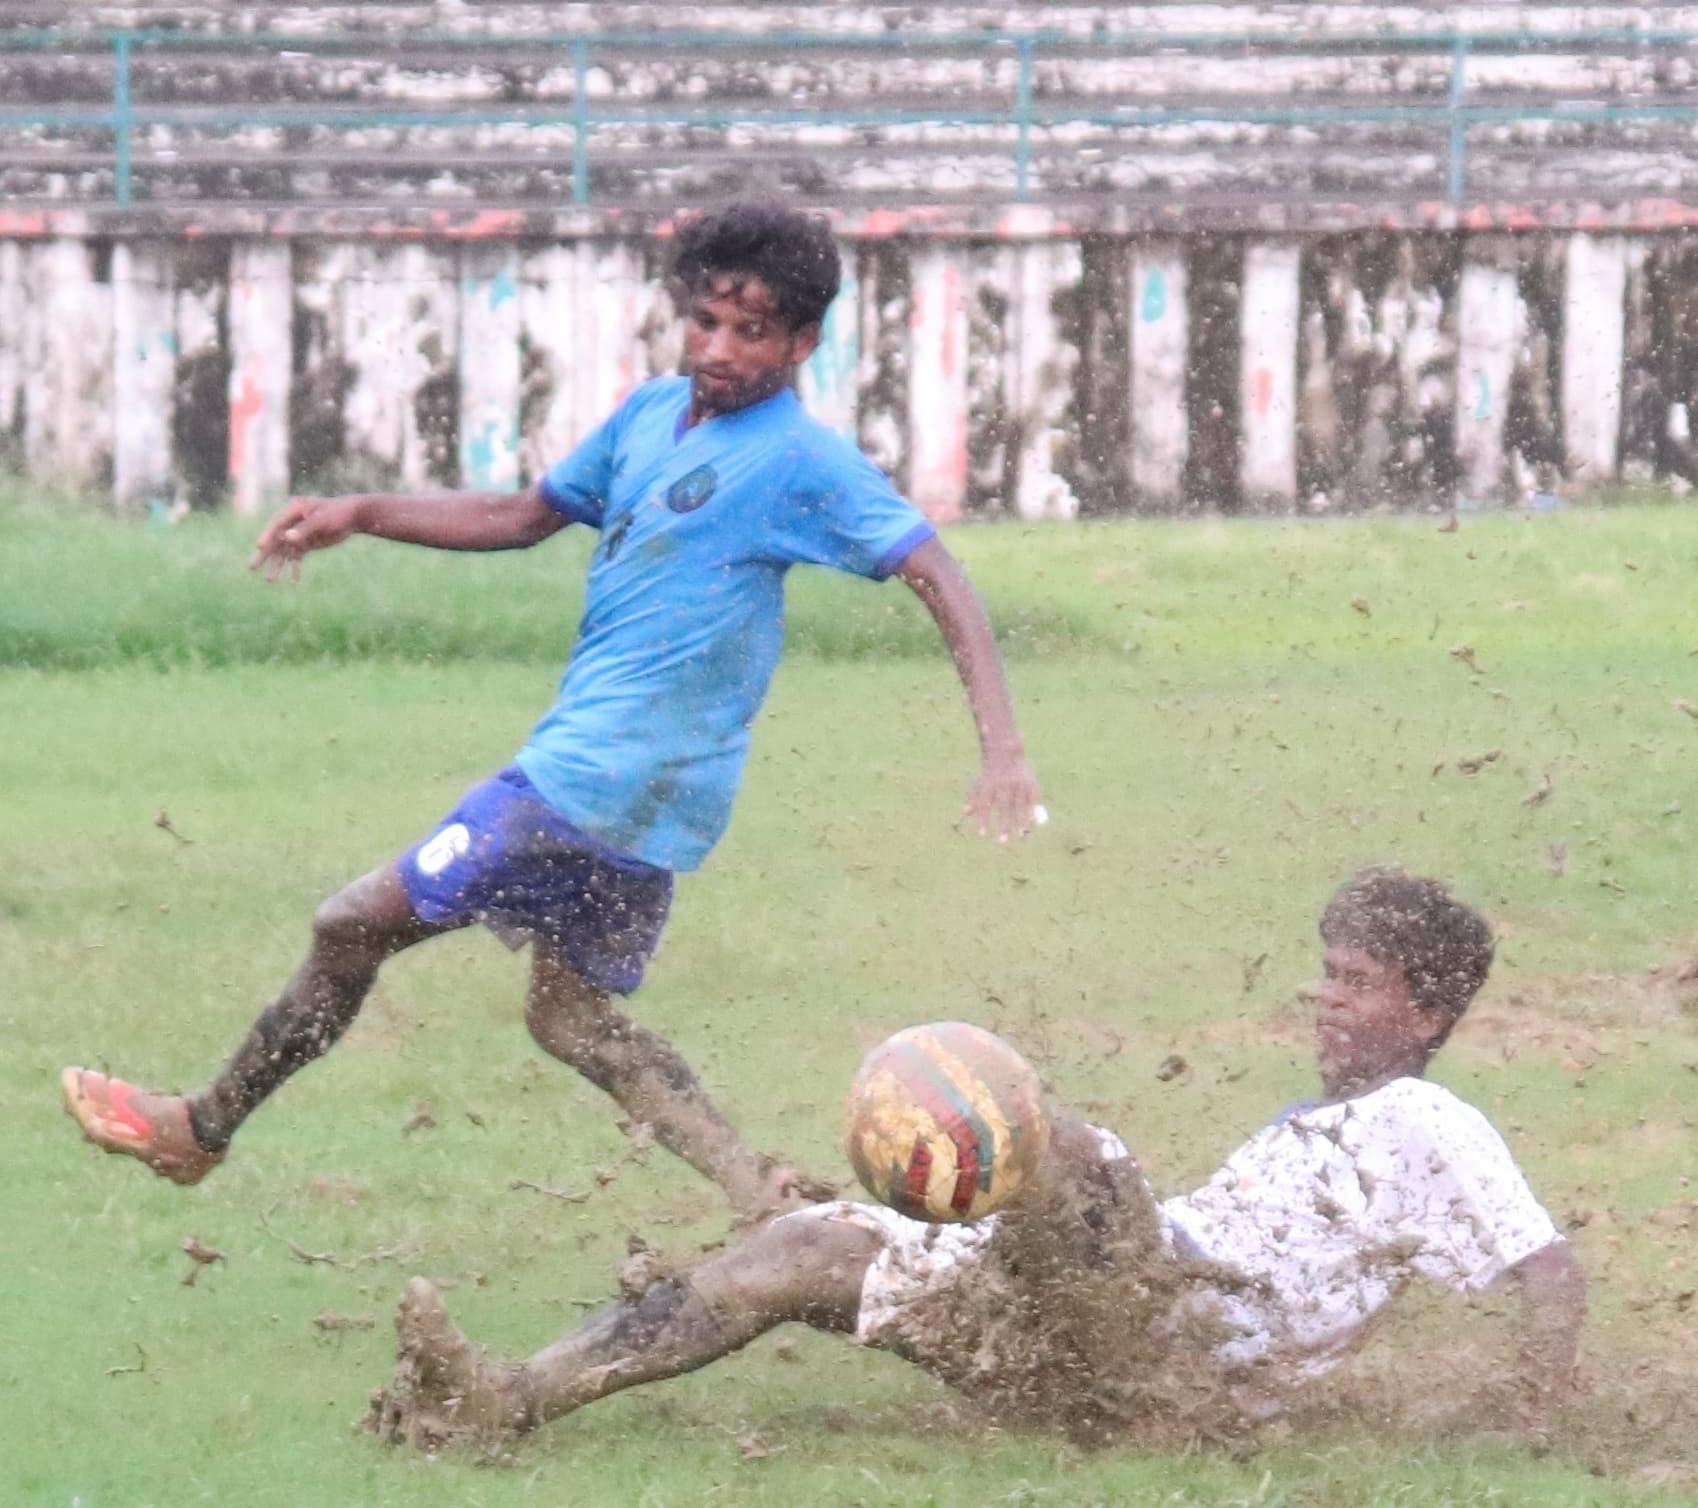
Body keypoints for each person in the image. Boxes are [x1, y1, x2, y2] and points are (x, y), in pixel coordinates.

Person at [61, 202, 1044, 1221]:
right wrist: (360, 513)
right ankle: (762, 1196)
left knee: (351, 923)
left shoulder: (801, 460)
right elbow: (524, 515)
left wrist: (1003, 749)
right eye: (706, 321)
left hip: (592, 779)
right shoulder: (650, 414)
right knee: (570, 1017)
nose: (720, 349)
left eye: (753, 333)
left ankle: (198, 1130)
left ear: (804, 342)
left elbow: (934, 569)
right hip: (658, 803)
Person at [365, 868, 1586, 1451]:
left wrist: (1529, 1418)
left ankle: (980, 1148)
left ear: (1428, 1015)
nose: (1324, 1001)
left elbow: (1548, 1272)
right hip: (1074, 1351)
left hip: (1171, 1360)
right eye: (1326, 974)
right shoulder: (1309, 1128)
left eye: (1357, 984)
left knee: (1079, 1153)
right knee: (798, 1250)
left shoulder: (1433, 1125)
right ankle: (503, 1401)